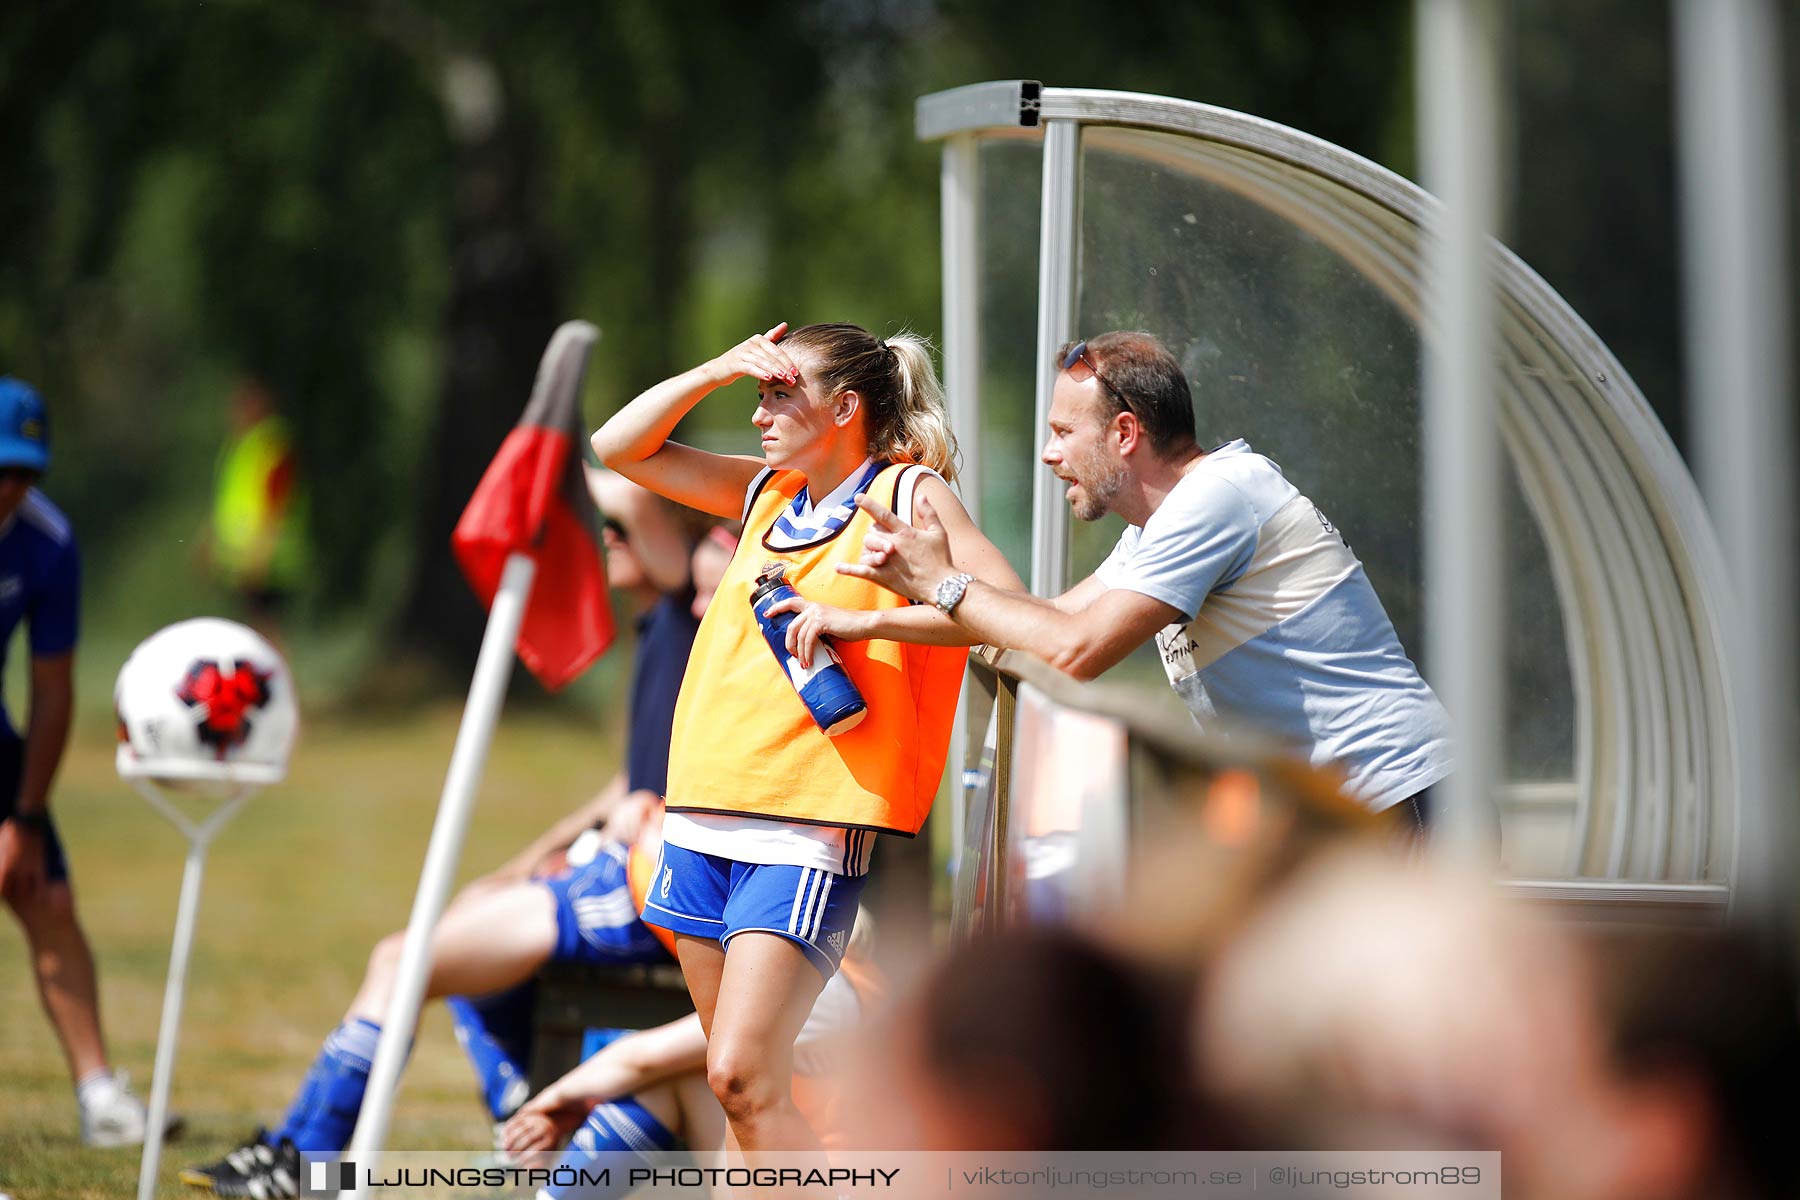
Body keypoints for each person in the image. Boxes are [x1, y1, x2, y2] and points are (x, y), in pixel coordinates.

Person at [181, 476, 704, 1198]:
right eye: (602, 525)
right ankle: (520, 1120)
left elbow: (638, 492)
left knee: (404, 958)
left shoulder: (686, 609)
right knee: (456, 924)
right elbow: (629, 783)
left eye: (622, 526)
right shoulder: (660, 624)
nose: (607, 533)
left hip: (644, 888)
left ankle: (301, 1163)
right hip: (612, 872)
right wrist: (525, 864)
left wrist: (555, 449)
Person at [592, 321, 1019, 1152]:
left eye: (778, 394)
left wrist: (857, 621)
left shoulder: (907, 495)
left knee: (741, 1076)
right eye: (757, 395)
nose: (759, 413)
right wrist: (717, 368)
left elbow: (1003, 605)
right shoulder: (768, 492)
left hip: (804, 827)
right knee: (740, 1091)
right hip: (703, 811)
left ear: (846, 407)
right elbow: (618, 447)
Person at [842, 331, 1452, 824]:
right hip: (1358, 810)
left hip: (1398, 797)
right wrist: (864, 620)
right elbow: (1046, 624)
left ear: (1125, 434)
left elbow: (1074, 651)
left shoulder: (1215, 498)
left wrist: (945, 582)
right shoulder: (1162, 523)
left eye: (1062, 433)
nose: (1049, 455)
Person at [0, 377, 163, 1147]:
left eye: (24, 472)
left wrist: (24, 819)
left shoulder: (47, 542)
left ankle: (100, 1098)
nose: (10, 488)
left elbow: (53, 689)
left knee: (48, 899)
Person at [208, 377, 309, 637]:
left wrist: (261, 554)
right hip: (243, 557)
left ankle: (280, 678)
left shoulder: (270, 445)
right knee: (253, 627)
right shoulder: (243, 444)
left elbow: (277, 505)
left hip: (267, 559)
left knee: (265, 627)